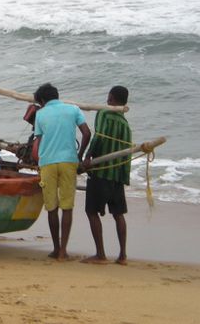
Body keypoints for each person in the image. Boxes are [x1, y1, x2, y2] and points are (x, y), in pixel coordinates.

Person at [34, 83, 91, 261]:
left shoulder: (40, 113)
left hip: (48, 163)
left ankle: (55, 247)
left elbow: (38, 140)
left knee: (52, 207)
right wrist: (79, 155)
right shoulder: (73, 109)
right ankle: (63, 251)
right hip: (68, 161)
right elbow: (87, 133)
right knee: (67, 206)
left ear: (42, 100)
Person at [81, 86, 132, 265]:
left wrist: (87, 156)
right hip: (117, 175)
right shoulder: (125, 124)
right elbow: (127, 152)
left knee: (91, 211)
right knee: (118, 214)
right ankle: (123, 255)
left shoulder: (104, 113)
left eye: (108, 97)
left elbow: (99, 136)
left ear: (111, 98)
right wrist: (124, 176)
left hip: (101, 172)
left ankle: (100, 254)